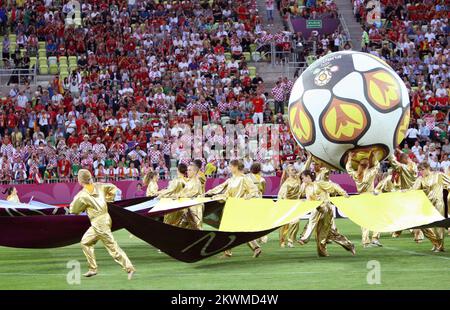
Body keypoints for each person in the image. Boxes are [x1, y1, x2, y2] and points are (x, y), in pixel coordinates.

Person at [69, 169, 135, 279]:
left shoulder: (82, 195)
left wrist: (82, 208)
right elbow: (113, 188)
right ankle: (93, 268)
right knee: (85, 242)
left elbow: (74, 210)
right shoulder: (99, 186)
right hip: (105, 218)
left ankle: (129, 268)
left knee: (111, 246)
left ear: (80, 181)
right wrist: (108, 199)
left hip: (98, 222)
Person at [205, 160, 262, 258]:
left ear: (235, 167)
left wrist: (249, 196)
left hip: (239, 209)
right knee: (232, 230)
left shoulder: (244, 179)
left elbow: (254, 190)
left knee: (233, 230)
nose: (229, 168)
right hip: (229, 208)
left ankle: (232, 252)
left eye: (230, 166)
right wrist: (210, 194)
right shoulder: (231, 180)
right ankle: (254, 248)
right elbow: (222, 189)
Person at [297, 170, 355, 257]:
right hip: (316, 209)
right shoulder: (306, 187)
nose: (302, 180)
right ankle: (324, 251)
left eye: (303, 178)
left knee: (323, 231)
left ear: (308, 177)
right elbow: (304, 197)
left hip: (325, 208)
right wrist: (302, 200)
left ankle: (304, 238)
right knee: (326, 233)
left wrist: (343, 193)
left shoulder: (319, 183)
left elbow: (333, 186)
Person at [346, 151, 382, 247]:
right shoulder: (370, 173)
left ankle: (365, 242)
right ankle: (375, 238)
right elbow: (377, 166)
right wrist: (375, 157)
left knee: (364, 221)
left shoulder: (356, 175)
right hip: (370, 197)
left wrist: (350, 158)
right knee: (376, 218)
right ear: (367, 165)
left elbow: (348, 168)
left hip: (361, 198)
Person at [412, 162, 449, 252]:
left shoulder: (438, 175)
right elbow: (412, 190)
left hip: (438, 203)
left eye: (422, 169)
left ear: (428, 168)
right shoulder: (420, 179)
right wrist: (403, 191)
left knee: (439, 225)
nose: (421, 172)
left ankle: (440, 246)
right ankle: (435, 243)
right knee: (423, 225)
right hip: (427, 204)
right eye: (419, 170)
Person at [388, 150, 423, 241]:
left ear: (404, 159)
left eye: (401, 160)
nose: (401, 161)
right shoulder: (414, 166)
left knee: (402, 214)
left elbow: (395, 163)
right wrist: (399, 151)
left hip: (407, 194)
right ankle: (417, 235)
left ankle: (418, 235)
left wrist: (389, 152)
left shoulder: (404, 168)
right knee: (412, 216)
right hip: (415, 194)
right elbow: (404, 159)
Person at [278, 164, 301, 248]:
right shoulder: (286, 182)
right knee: (285, 224)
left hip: (295, 204)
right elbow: (281, 195)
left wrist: (310, 158)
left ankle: (290, 241)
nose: (294, 171)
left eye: (294, 169)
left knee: (296, 222)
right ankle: (282, 241)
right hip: (287, 205)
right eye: (292, 170)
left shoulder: (298, 178)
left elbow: (305, 167)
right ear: (288, 172)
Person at [176, 164, 204, 230]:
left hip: (196, 207)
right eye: (187, 170)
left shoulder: (197, 182)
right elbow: (184, 192)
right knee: (184, 225)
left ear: (194, 172)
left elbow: (193, 193)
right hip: (188, 207)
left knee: (197, 227)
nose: (187, 171)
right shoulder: (189, 181)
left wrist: (180, 195)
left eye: (189, 170)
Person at [247, 162, 268, 243]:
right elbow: (263, 191)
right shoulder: (262, 180)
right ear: (259, 170)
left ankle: (253, 237)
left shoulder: (247, 178)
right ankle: (263, 237)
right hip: (258, 200)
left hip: (250, 200)